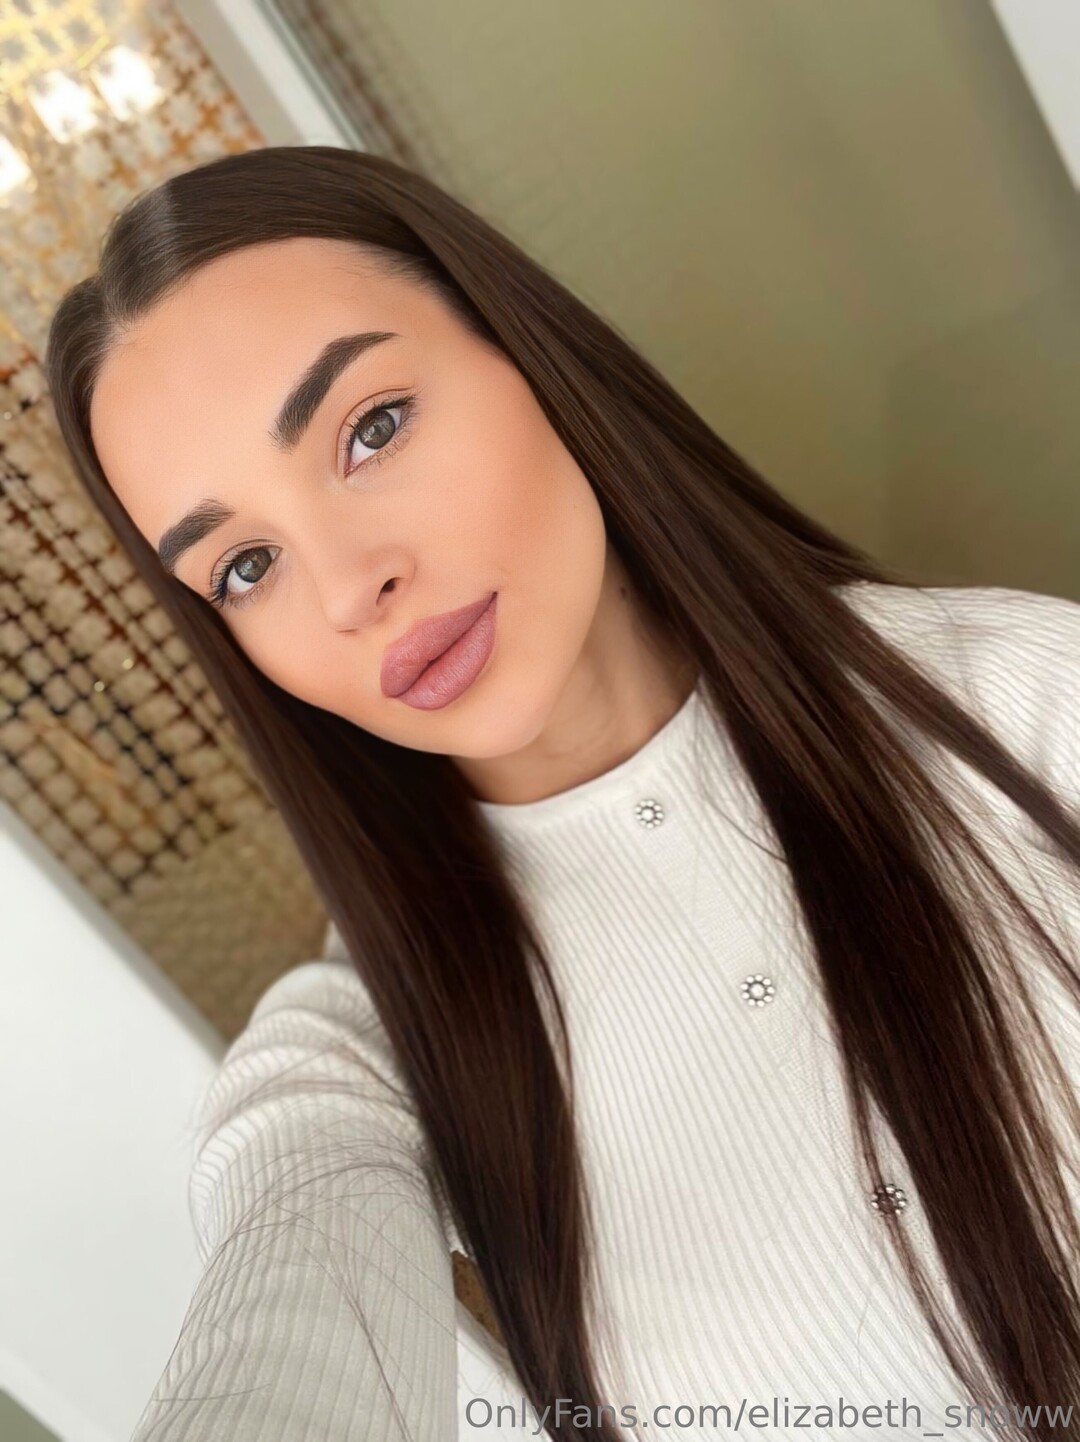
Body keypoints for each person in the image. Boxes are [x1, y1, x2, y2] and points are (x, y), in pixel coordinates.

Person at [44, 146, 1080, 1442]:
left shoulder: (1026, 702)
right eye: (246, 566)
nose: (350, 585)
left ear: (529, 355)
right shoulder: (375, 1045)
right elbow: (297, 1274)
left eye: (371, 429)